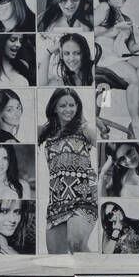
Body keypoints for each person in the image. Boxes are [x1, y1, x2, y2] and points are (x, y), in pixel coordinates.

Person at [39, 88, 97, 254]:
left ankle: (97, 275)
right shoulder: (46, 133)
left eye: (72, 105)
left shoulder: (84, 129)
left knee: (76, 243)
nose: (68, 109)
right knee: (56, 259)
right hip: (57, 202)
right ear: (54, 108)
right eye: (63, 105)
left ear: (78, 107)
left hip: (83, 197)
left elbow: (108, 147)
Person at [95, 0, 139, 138]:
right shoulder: (104, 8)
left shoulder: (125, 17)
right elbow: (89, 31)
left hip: (113, 57)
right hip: (99, 58)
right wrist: (114, 29)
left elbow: (132, 47)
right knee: (133, 78)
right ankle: (136, 123)